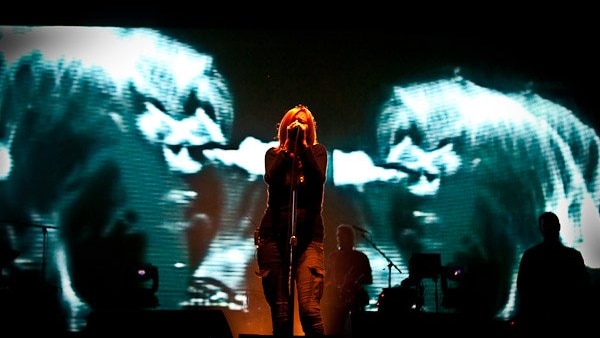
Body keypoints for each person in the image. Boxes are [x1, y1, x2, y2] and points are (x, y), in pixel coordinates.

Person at [255, 104, 328, 337]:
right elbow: (271, 178)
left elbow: (318, 179)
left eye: (304, 122)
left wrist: (304, 148)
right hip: (273, 236)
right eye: (295, 121)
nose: (299, 125)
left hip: (309, 238)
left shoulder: (317, 153)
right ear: (286, 127)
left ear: (310, 129)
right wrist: (287, 150)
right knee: (281, 312)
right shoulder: (274, 155)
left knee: (309, 310)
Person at [516, 211, 590, 336]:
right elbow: (583, 287)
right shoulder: (573, 256)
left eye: (550, 226)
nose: (549, 230)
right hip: (567, 320)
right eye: (547, 226)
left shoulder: (531, 255)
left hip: (541, 321)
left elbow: (523, 287)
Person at [323, 224, 373, 337]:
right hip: (335, 300)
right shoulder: (333, 256)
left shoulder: (360, 257)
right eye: (338, 236)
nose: (339, 238)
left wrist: (355, 282)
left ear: (350, 237)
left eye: (342, 235)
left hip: (355, 299)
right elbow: (327, 278)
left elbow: (368, 279)